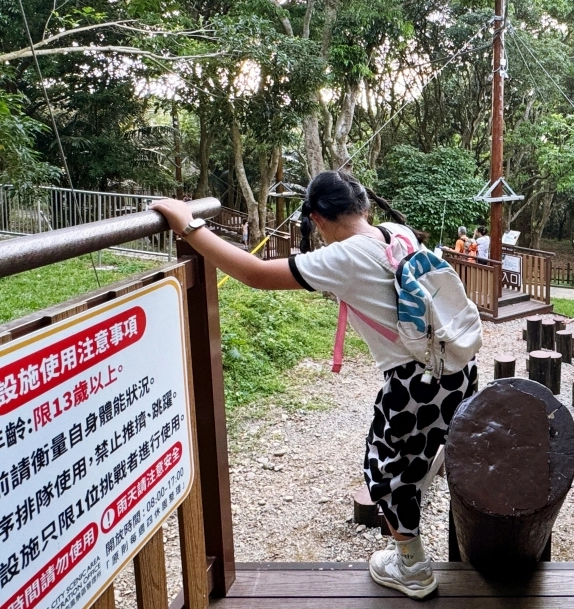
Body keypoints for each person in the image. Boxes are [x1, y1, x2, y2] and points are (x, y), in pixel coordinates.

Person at [150, 171, 477, 600]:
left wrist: (189, 226)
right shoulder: (396, 233)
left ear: (318, 219)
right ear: (365, 206)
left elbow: (256, 273)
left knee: (387, 469)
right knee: (458, 455)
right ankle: (481, 551)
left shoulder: (344, 256)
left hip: (414, 384)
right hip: (458, 368)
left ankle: (413, 568)